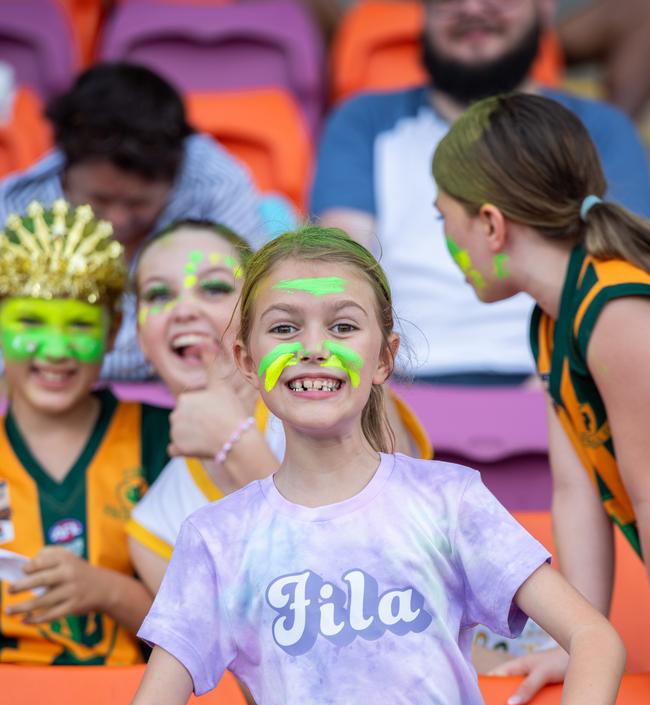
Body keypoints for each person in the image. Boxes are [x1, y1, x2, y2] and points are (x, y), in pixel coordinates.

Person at [72, 227, 624, 705]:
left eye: (342, 326)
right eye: (284, 327)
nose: (312, 347)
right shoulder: (218, 538)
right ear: (244, 357)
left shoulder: (448, 500)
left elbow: (595, 639)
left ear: (384, 356)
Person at [432, 91, 650, 704]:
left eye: (443, 217)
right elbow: (578, 489)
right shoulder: (556, 320)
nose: (446, 238)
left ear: (492, 224)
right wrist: (579, 639)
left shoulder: (617, 309)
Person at [311, 0, 650, 382]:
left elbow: (623, 265)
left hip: (566, 373)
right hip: (395, 384)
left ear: (544, 7)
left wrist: (564, 384)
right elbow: (340, 265)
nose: (473, 8)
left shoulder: (599, 127)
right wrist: (378, 392)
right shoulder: (362, 120)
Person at [127, 220, 432, 592]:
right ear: (140, 338)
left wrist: (235, 444)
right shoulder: (154, 527)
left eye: (215, 288)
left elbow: (384, 575)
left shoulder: (346, 396)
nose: (185, 309)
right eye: (159, 295)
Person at [0, 62, 268, 380]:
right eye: (99, 200)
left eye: (138, 203)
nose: (116, 219)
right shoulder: (20, 211)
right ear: (64, 170)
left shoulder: (216, 186)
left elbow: (248, 313)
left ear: (176, 174)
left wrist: (73, 355)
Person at [0, 199, 170, 665]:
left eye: (79, 325)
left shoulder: (161, 440)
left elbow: (210, 628)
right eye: (30, 321)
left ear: (114, 330)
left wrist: (109, 591)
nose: (56, 350)